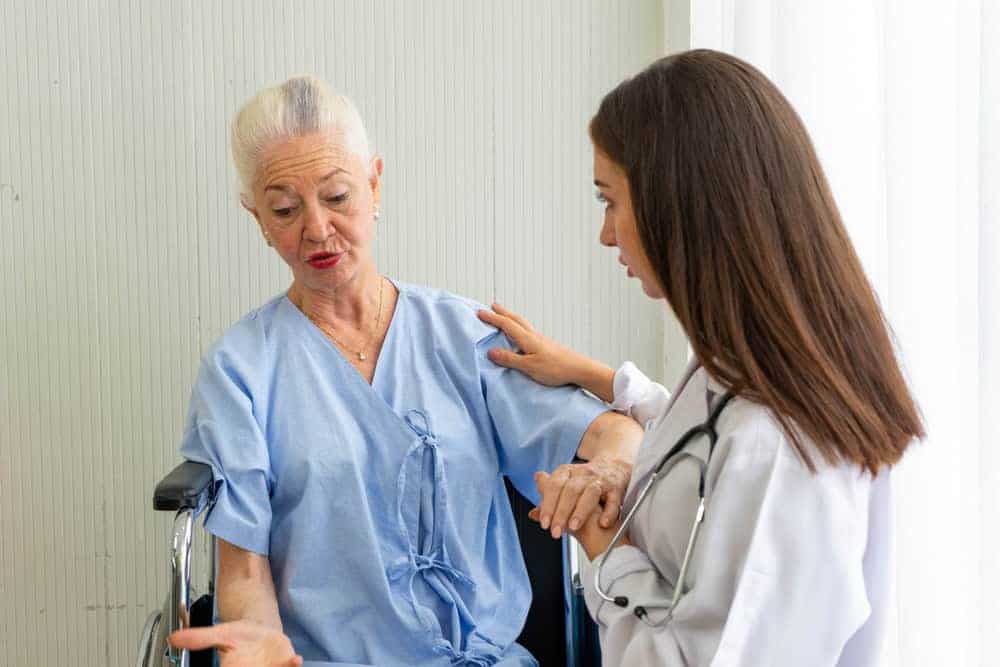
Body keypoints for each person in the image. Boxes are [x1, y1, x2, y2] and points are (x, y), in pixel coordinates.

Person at [166, 76, 644, 666]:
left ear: (374, 184)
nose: (316, 228)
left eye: (337, 196)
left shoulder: (463, 336)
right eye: (285, 209)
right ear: (258, 217)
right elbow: (243, 572)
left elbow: (615, 432)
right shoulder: (241, 371)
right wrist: (260, 641)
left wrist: (613, 465)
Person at [478, 50, 924, 666]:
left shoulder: (782, 450)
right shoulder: (752, 372)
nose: (606, 234)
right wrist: (596, 378)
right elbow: (693, 443)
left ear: (679, 204)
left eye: (610, 201)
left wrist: (608, 549)